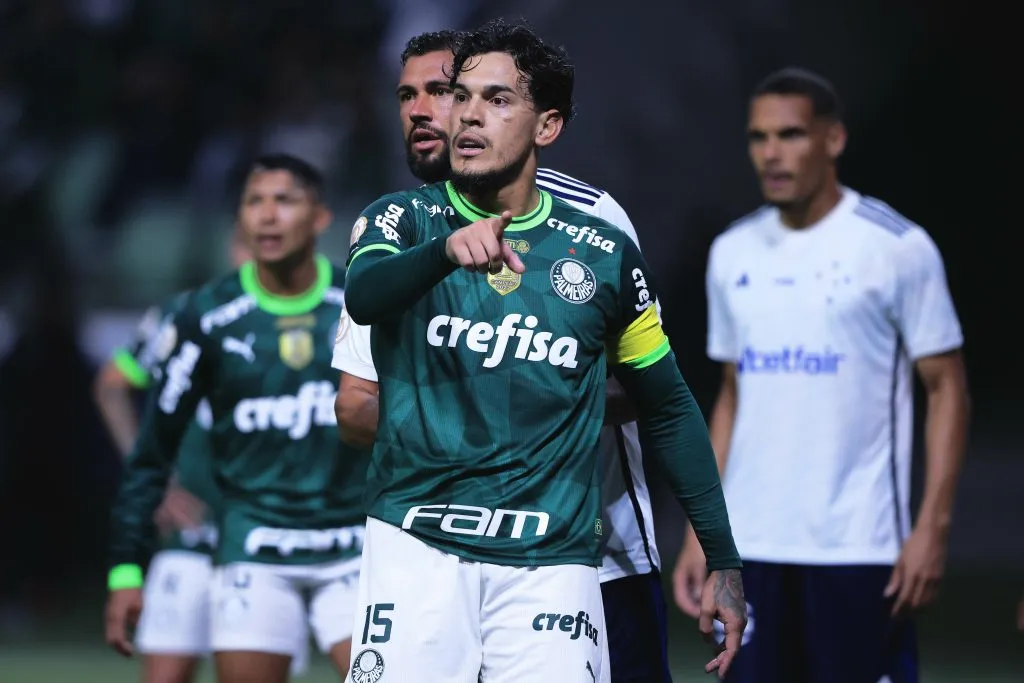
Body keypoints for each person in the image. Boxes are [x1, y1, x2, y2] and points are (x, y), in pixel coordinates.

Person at [342, 19, 746, 683]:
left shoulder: (602, 251)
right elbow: (364, 293)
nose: (469, 115)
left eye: (497, 100)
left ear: (547, 126)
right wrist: (443, 253)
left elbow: (667, 404)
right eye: (463, 95)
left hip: (552, 557)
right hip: (416, 544)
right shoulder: (401, 220)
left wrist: (722, 556)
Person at [671, 67, 969, 683]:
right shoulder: (733, 252)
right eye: (759, 138)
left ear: (833, 140)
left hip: (858, 548)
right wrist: (703, 532)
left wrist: (932, 529)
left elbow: (947, 389)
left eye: (791, 135)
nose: (772, 154)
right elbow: (732, 398)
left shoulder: (896, 248)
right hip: (751, 547)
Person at [104, 154, 368, 683]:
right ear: (241, 220)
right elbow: (152, 452)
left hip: (354, 550)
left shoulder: (359, 301)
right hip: (253, 551)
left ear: (319, 218)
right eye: (254, 201)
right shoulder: (203, 318)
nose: (267, 215)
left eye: (284, 200)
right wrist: (126, 570)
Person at [94, 229, 310, 683]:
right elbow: (113, 384)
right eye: (248, 240)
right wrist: (160, 483)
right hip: (193, 529)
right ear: (233, 245)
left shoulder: (313, 313)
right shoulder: (190, 313)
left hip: (269, 533)